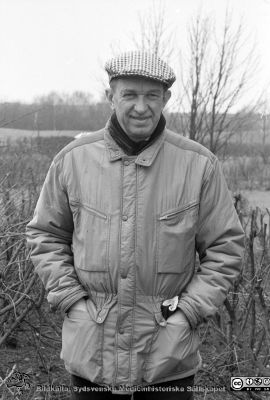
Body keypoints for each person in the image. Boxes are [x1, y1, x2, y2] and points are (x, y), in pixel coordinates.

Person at [26, 51, 245, 399]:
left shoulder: (199, 166)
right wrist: (71, 298)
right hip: (91, 350)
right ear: (111, 95)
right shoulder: (73, 160)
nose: (141, 107)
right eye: (130, 95)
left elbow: (226, 248)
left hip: (168, 357)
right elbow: (45, 235)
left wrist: (187, 311)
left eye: (151, 96)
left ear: (166, 99)